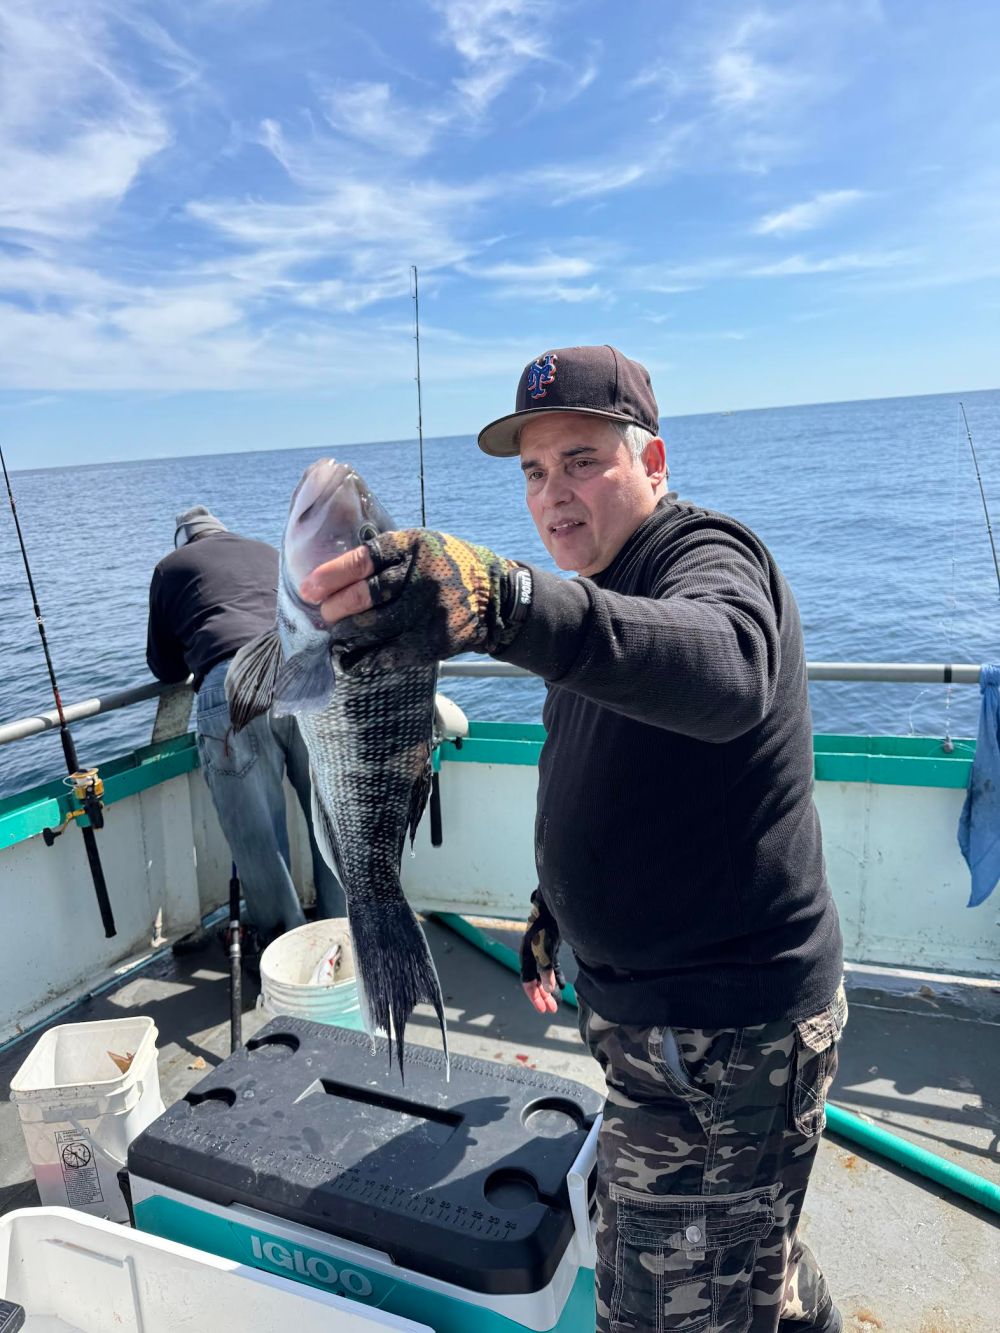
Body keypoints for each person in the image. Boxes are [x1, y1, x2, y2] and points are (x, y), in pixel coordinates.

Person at [297, 346, 846, 1333]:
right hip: (656, 1023)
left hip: (723, 1037)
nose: (554, 496)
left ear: (654, 461)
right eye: (533, 471)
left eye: (583, 458)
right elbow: (608, 763)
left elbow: (725, 670)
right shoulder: (594, 589)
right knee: (750, 1247)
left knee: (659, 1308)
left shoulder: (708, 558)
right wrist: (557, 907)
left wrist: (506, 600)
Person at [146, 505, 346, 952]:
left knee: (259, 839)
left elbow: (164, 666)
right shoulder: (264, 550)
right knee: (327, 818)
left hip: (234, 688)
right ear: (222, 531)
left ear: (184, 541)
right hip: (305, 676)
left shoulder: (170, 569)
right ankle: (344, 937)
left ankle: (285, 952)